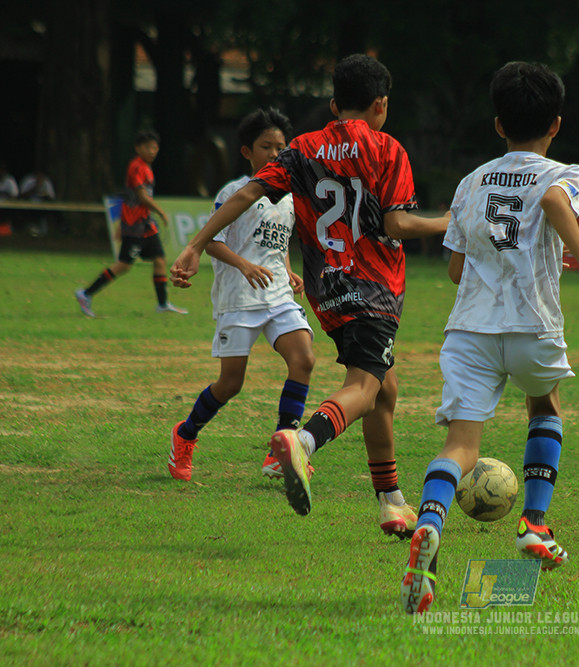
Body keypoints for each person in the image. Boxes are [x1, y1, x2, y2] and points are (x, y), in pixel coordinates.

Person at [170, 54, 450, 538]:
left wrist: (195, 244)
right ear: (381, 104)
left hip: (327, 291)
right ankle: (303, 440)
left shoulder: (303, 148)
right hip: (374, 288)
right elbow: (397, 224)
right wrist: (455, 221)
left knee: (385, 390)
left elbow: (245, 195)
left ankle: (391, 501)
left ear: (334, 103)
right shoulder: (387, 149)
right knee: (364, 389)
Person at [400, 61, 579, 614]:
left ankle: (429, 526)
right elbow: (552, 204)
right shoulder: (565, 174)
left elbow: (454, 270)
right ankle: (534, 524)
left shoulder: (471, 181)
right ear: (556, 123)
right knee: (544, 404)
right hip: (531, 325)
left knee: (460, 446)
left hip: (470, 329)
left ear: (498, 125)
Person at [168, 108, 316, 483]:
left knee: (304, 359)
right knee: (231, 383)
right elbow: (213, 242)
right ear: (247, 151)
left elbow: (276, 243)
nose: (275, 154)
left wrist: (288, 268)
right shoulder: (234, 192)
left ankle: (280, 450)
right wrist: (244, 266)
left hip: (278, 294)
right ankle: (185, 435)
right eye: (266, 146)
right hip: (239, 297)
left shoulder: (288, 197)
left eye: (281, 148)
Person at [75, 130, 187, 317]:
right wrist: (160, 211)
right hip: (134, 224)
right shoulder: (136, 167)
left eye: (154, 147)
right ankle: (85, 294)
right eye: (147, 147)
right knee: (124, 265)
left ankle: (162, 304)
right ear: (137, 148)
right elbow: (142, 197)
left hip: (145, 224)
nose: (151, 151)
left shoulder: (146, 167)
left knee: (159, 259)